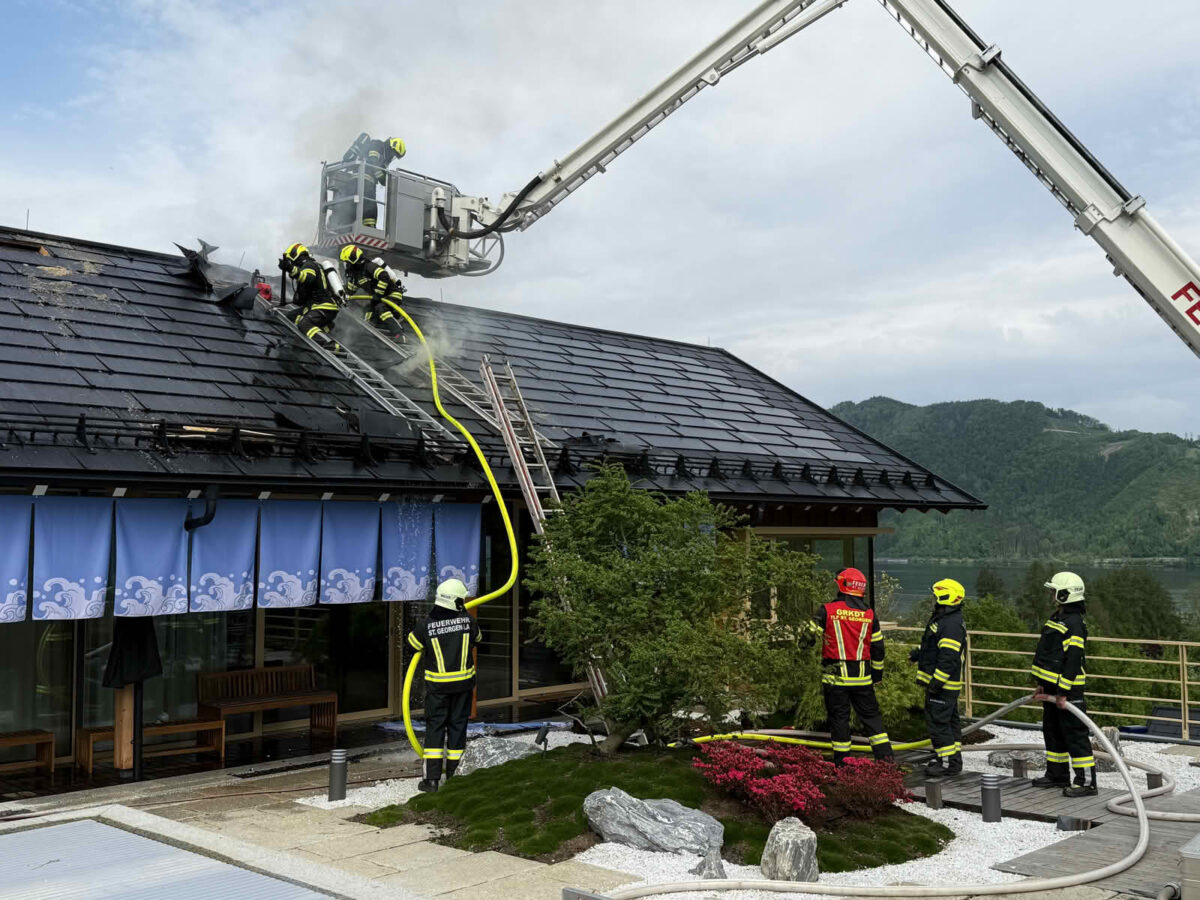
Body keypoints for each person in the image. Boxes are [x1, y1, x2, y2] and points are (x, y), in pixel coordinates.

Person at [807, 567, 893, 765]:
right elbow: (878, 648)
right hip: (863, 679)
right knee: (872, 719)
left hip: (835, 678)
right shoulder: (870, 614)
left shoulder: (827, 610)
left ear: (841, 584)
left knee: (839, 720)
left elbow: (807, 638)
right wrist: (877, 674)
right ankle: (887, 761)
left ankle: (843, 764)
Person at [407, 578, 482, 793]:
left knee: (435, 729)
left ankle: (431, 780)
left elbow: (412, 644)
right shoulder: (468, 621)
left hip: (437, 690)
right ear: (456, 601)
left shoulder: (426, 625)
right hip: (463, 687)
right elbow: (479, 638)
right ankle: (454, 776)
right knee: (458, 727)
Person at [1030, 571, 1095, 797]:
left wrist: (1064, 691)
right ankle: (1057, 775)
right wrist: (1042, 684)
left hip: (1068, 690)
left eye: (1054, 591)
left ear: (1065, 594)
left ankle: (1086, 783)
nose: (1051, 595)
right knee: (1053, 732)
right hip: (1051, 689)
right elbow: (1048, 654)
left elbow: (1073, 660)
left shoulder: (1074, 623)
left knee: (1076, 736)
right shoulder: (1058, 618)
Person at [911, 578, 967, 776]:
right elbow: (934, 647)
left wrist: (936, 682)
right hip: (946, 685)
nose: (934, 598)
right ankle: (953, 762)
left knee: (938, 724)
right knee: (950, 723)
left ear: (946, 596)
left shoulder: (949, 623)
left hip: (943, 686)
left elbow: (948, 659)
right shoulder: (947, 620)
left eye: (937, 595)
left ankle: (944, 763)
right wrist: (918, 654)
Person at [278, 243, 341, 352]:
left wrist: (290, 268)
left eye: (291, 261)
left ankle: (329, 344)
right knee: (291, 316)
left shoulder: (309, 265)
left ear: (295, 256)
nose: (292, 263)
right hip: (318, 306)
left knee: (304, 324)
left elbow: (308, 278)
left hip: (322, 306)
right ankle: (327, 325)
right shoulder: (313, 265)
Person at [338, 245, 406, 341]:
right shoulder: (355, 275)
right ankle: (372, 335)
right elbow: (350, 290)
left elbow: (384, 276)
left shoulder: (369, 266)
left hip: (392, 294)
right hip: (378, 298)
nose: (346, 265)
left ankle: (399, 334)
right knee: (367, 312)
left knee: (381, 308)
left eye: (346, 262)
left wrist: (378, 293)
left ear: (353, 260)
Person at [342, 133, 407, 228]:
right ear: (391, 147)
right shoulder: (378, 145)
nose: (392, 157)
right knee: (370, 209)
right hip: (362, 180)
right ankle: (368, 228)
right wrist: (382, 177)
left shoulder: (384, 158)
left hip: (368, 184)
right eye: (394, 154)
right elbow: (372, 162)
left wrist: (386, 179)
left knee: (365, 209)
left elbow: (382, 177)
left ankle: (365, 227)